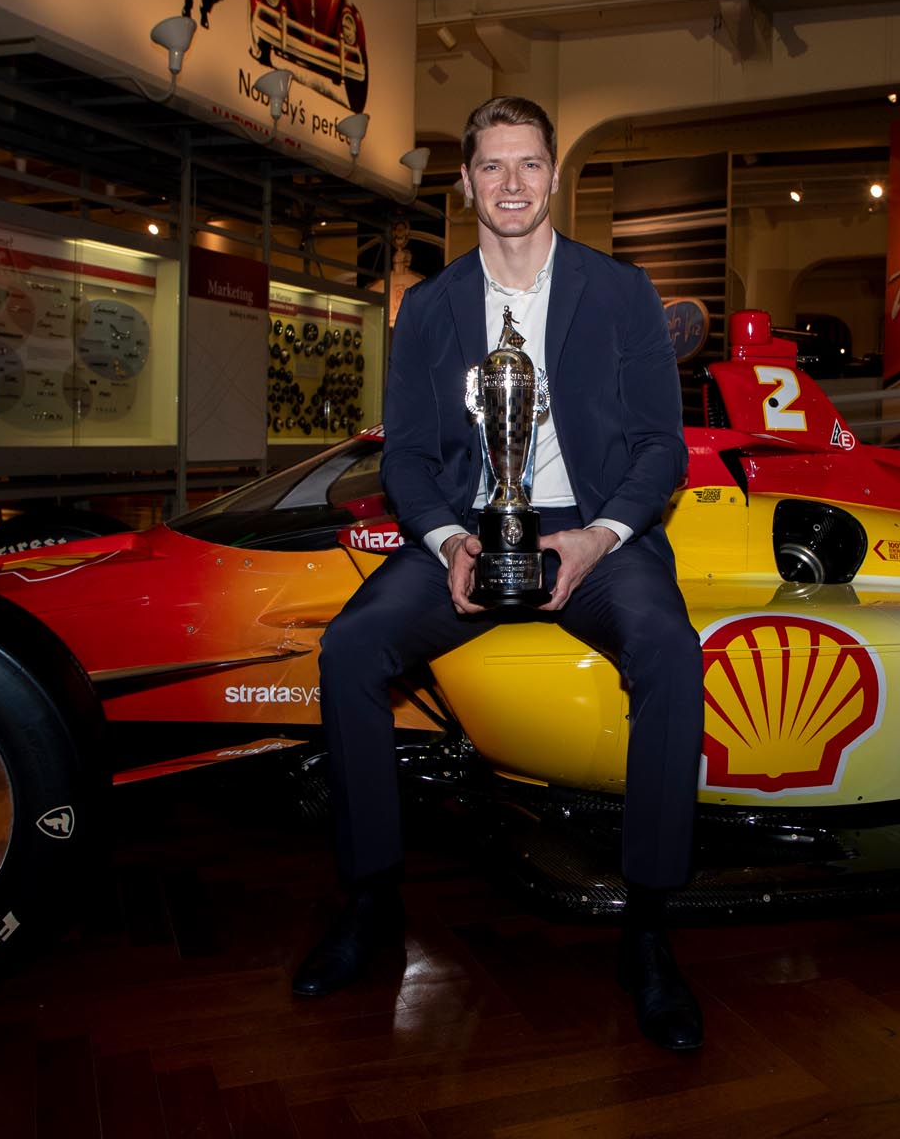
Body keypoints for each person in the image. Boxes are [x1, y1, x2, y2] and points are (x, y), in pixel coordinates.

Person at [297, 96, 707, 1052]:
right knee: (353, 648)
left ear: (554, 176)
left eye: (528, 165)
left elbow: (661, 449)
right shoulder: (432, 307)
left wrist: (600, 537)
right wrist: (448, 543)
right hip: (473, 532)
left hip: (597, 535)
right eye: (493, 167)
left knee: (669, 651)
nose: (512, 184)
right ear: (469, 182)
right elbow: (404, 458)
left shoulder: (620, 293)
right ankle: (369, 902)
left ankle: (648, 929)